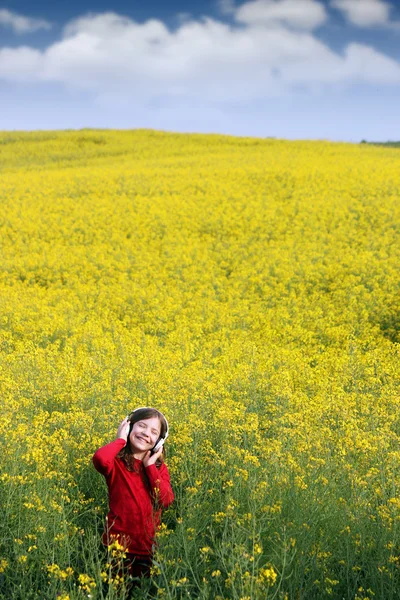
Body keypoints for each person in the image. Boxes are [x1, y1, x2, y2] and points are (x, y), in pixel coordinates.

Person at [92, 407, 174, 584]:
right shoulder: (116, 462)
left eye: (154, 432)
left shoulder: (159, 469)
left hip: (147, 549)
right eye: (141, 426)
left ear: (159, 441)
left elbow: (166, 500)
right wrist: (120, 440)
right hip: (116, 546)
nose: (146, 433)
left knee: (142, 593)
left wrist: (150, 466)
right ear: (128, 427)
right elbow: (100, 459)